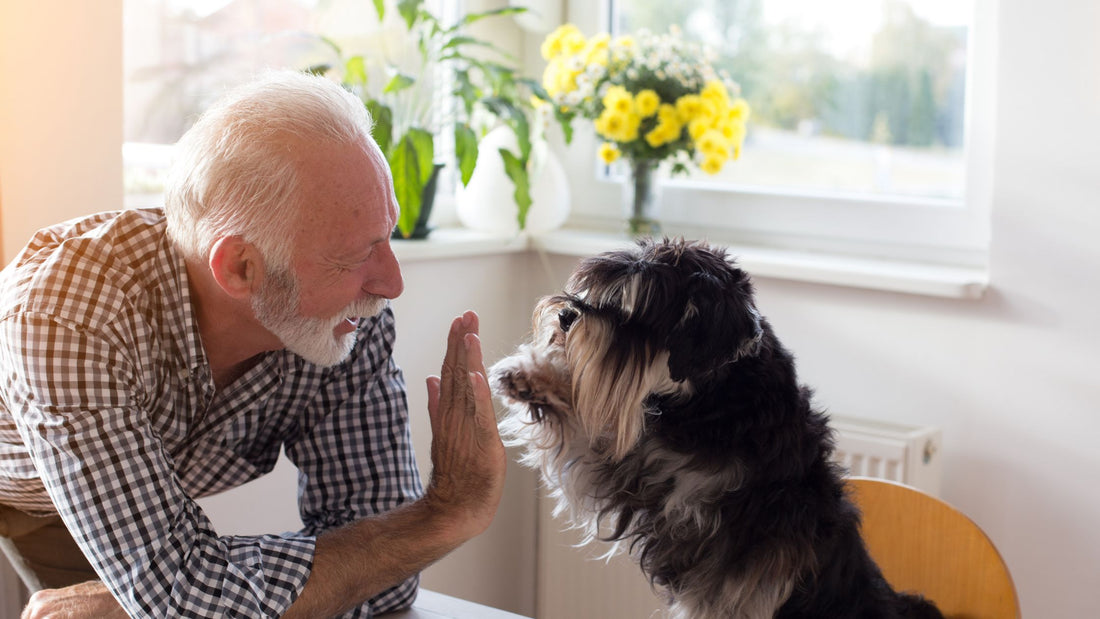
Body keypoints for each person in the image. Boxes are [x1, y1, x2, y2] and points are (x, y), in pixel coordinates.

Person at [0, 70, 506, 618]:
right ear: (240, 267)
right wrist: (443, 515)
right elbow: (188, 601)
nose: (391, 284)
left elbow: (386, 579)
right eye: (356, 255)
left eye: (387, 237)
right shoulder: (70, 318)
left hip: (117, 487)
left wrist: (155, 600)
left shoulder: (345, 320)